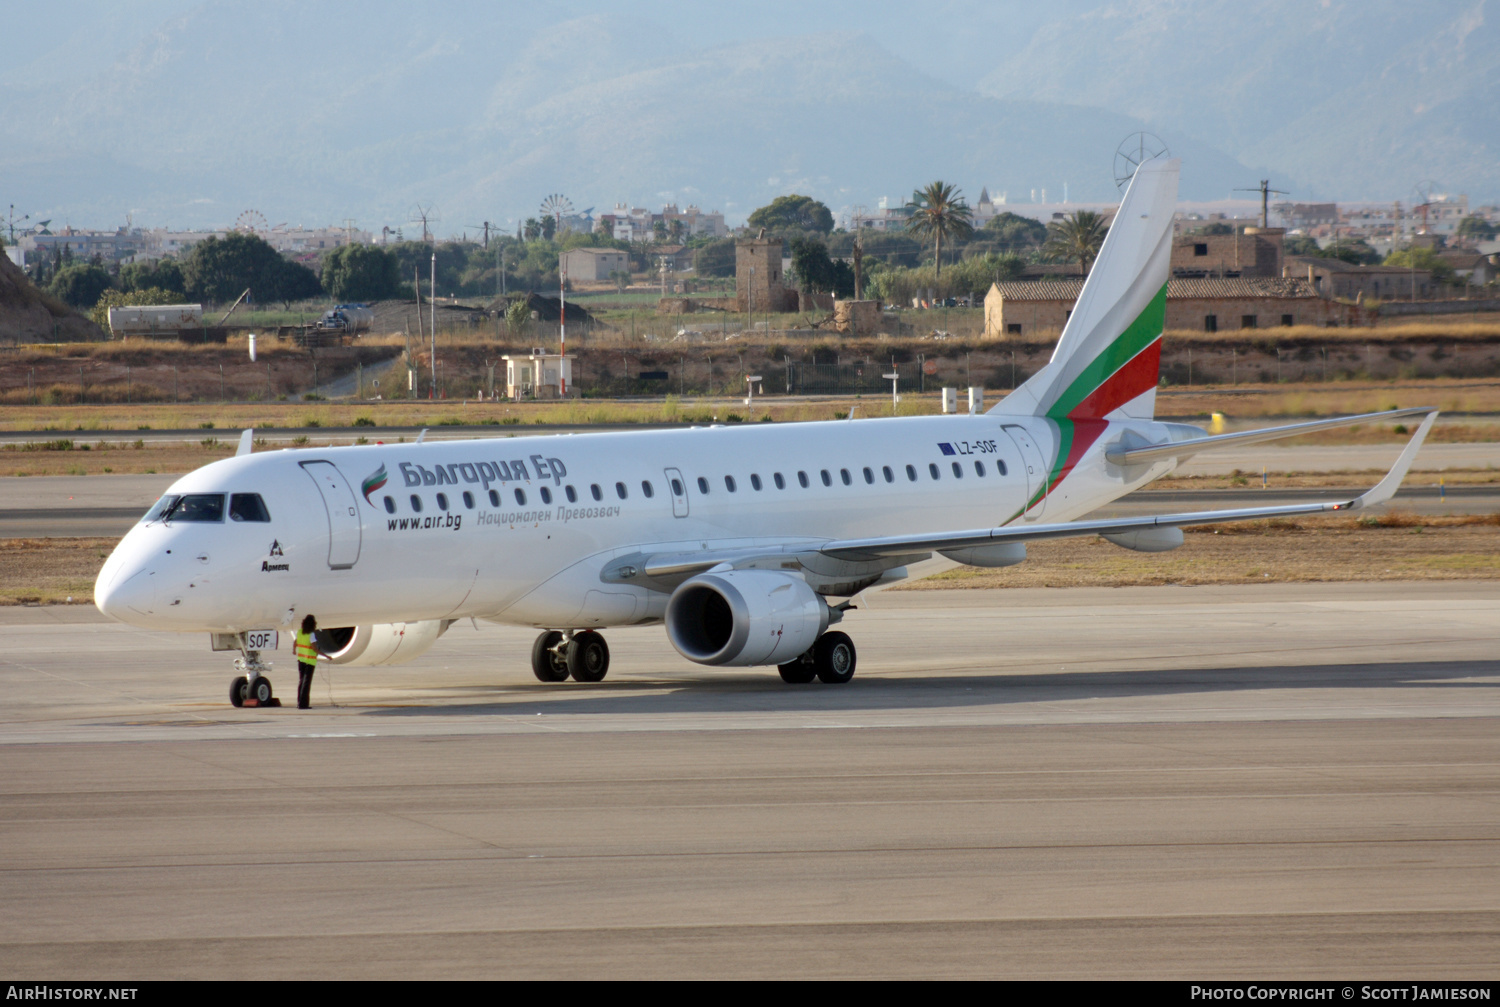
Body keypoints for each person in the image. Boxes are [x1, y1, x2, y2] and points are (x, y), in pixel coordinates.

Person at [293, 614, 320, 709]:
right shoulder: (311, 634)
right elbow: (314, 648)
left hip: (301, 660)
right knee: (306, 683)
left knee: (301, 681)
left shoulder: (300, 632)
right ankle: (304, 704)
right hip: (309, 662)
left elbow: (295, 642)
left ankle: (299, 702)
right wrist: (325, 655)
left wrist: (294, 650)